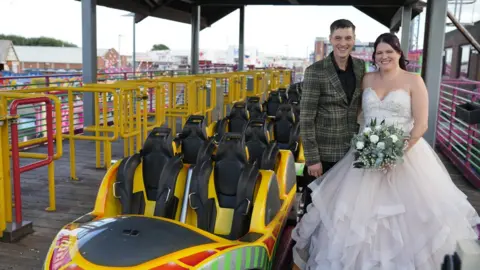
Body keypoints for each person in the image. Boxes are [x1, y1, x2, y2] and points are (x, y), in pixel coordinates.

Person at [291, 33, 480, 270]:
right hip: (365, 154)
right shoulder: (367, 79)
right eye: (379, 53)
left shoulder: (414, 80)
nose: (384, 56)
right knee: (354, 219)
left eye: (389, 51)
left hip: (407, 156)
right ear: (374, 57)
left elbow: (421, 124)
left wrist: (395, 153)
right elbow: (357, 113)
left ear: (399, 53)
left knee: (409, 220)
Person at [299, 19, 365, 199]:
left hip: (351, 153)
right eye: (338, 38)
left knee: (343, 206)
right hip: (323, 157)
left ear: (354, 39)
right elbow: (306, 118)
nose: (343, 43)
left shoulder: (360, 67)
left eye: (348, 38)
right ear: (331, 39)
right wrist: (313, 159)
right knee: (317, 206)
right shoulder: (315, 71)